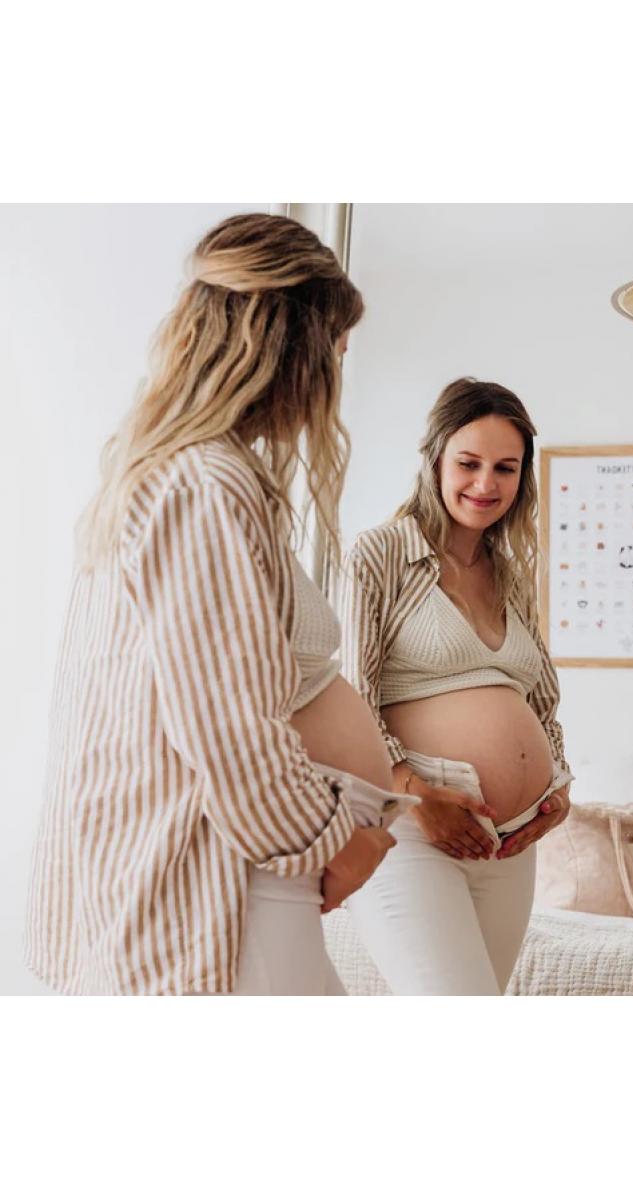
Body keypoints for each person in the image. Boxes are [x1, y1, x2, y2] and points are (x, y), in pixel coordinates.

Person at [24, 213, 488, 996]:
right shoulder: (203, 485)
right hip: (218, 874)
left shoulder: (191, 475)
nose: (336, 375)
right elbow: (229, 727)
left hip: (247, 866)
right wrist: (341, 837)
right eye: (335, 350)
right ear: (291, 344)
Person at [339, 377, 574, 995]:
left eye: (506, 468)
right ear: (435, 459)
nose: (485, 484)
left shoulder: (513, 574)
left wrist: (559, 785)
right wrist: (413, 794)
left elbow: (541, 701)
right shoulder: (380, 555)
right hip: (411, 830)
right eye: (469, 463)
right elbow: (349, 693)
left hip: (509, 844)